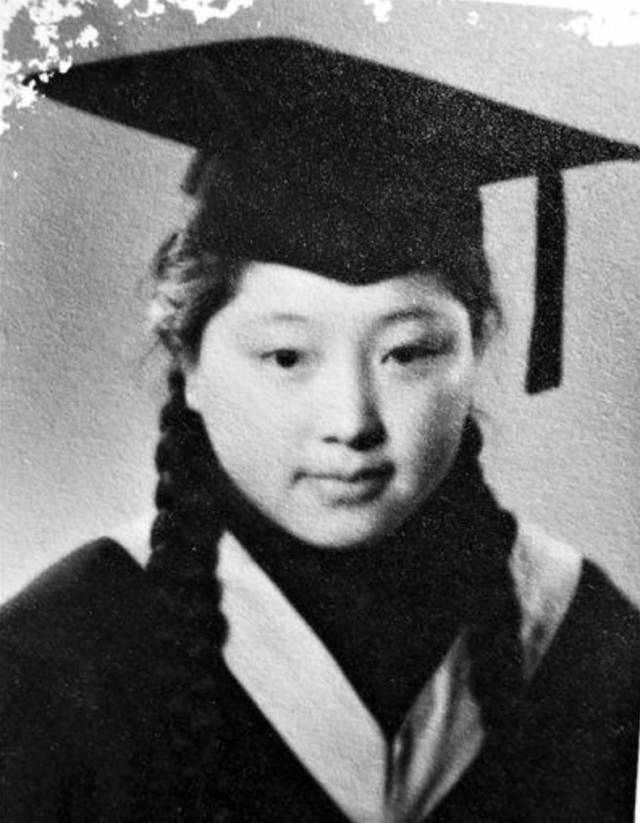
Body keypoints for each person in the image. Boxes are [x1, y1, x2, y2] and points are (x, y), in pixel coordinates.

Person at [1, 37, 639, 823]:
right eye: (286, 356)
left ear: (476, 348)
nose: (351, 421)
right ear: (188, 359)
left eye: (409, 352)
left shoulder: (589, 640)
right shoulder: (56, 655)